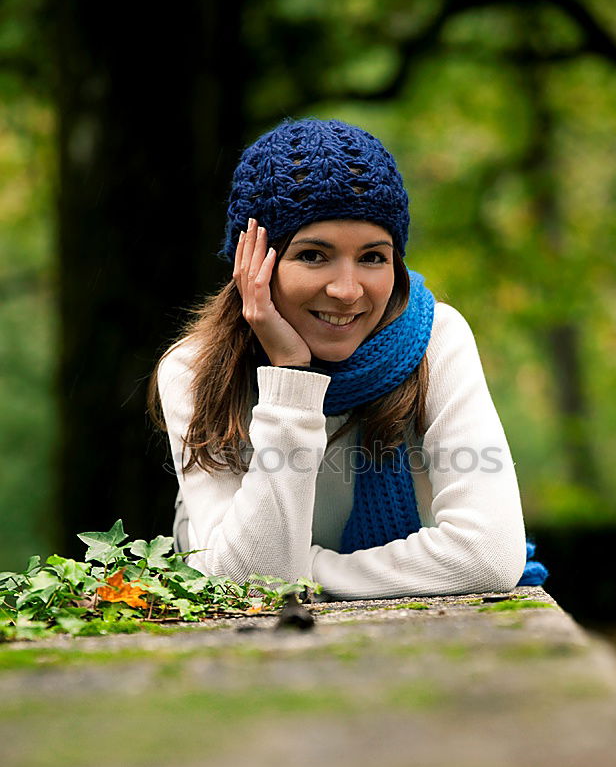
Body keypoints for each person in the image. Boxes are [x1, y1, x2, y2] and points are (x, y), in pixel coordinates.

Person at [148, 117, 546, 600]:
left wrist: (309, 570)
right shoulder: (194, 372)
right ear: (253, 263)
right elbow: (248, 583)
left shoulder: (436, 340)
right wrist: (290, 381)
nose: (346, 290)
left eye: (373, 257)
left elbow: (487, 556)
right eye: (314, 255)